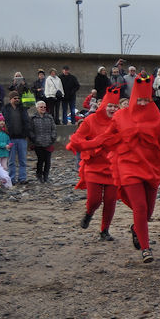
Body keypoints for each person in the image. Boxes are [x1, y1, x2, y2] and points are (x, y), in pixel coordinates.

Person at [100, 74, 160, 263]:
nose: (142, 103)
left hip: (151, 168)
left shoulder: (158, 118)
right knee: (139, 207)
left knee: (147, 212)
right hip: (129, 167)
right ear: (133, 99)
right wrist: (87, 144)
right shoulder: (121, 116)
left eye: (145, 100)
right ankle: (146, 249)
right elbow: (106, 136)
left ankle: (136, 229)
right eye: (139, 100)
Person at [66, 86, 121, 241]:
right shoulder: (91, 120)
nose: (112, 109)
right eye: (109, 106)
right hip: (93, 166)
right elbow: (77, 138)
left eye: (115, 107)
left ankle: (105, 230)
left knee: (110, 201)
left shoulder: (119, 121)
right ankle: (89, 213)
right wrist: (93, 144)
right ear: (103, 106)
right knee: (94, 200)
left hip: (112, 168)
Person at [29, 101, 56, 183]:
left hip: (48, 142)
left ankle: (46, 176)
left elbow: (54, 128)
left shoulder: (49, 117)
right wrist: (33, 138)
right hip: (38, 143)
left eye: (44, 107)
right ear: (37, 108)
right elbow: (30, 130)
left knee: (48, 161)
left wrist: (52, 138)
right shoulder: (33, 118)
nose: (43, 108)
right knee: (40, 160)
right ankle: (39, 175)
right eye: (41, 107)